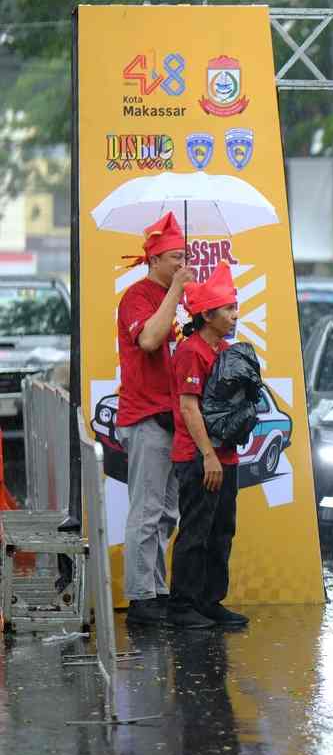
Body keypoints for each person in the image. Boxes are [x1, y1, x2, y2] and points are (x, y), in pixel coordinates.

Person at [117, 211, 192, 624]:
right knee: (145, 510)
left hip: (171, 418)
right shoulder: (137, 297)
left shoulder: (173, 300)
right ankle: (140, 598)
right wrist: (176, 292)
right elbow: (148, 339)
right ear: (155, 260)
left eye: (184, 257)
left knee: (167, 513)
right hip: (146, 417)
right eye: (175, 257)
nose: (182, 264)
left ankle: (158, 590)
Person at [166, 262, 247, 629]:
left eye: (235, 307)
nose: (234, 314)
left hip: (226, 456)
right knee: (196, 531)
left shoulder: (227, 350)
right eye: (228, 309)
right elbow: (187, 406)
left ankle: (209, 600)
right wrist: (209, 455)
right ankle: (182, 605)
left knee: (221, 531)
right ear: (206, 313)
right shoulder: (190, 352)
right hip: (199, 457)